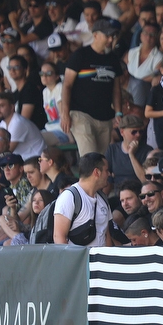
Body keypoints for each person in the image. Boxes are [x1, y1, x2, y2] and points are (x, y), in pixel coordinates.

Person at [60, 19, 123, 156]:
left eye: (112, 36)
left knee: (101, 161)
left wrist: (118, 112)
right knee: (89, 157)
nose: (110, 39)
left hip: (105, 117)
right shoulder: (80, 55)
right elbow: (67, 85)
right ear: (95, 35)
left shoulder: (113, 59)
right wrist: (65, 113)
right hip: (81, 115)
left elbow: (116, 89)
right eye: (107, 36)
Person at [53, 152, 113, 247]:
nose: (109, 174)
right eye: (106, 170)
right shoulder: (69, 197)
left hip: (100, 261)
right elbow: (59, 237)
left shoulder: (103, 198)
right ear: (96, 172)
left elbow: (106, 236)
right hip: (79, 261)